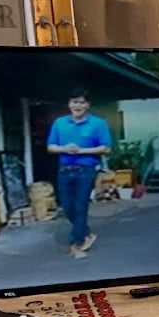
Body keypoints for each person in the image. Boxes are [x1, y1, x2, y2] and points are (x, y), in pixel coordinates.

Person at [46, 88, 112, 259]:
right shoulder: (59, 123)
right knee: (67, 207)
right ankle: (87, 234)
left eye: (82, 102)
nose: (78, 106)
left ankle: (76, 244)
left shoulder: (98, 124)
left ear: (87, 105)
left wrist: (82, 151)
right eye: (75, 102)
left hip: (86, 170)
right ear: (69, 104)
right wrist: (64, 149)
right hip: (64, 170)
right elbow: (50, 147)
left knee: (80, 206)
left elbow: (106, 148)